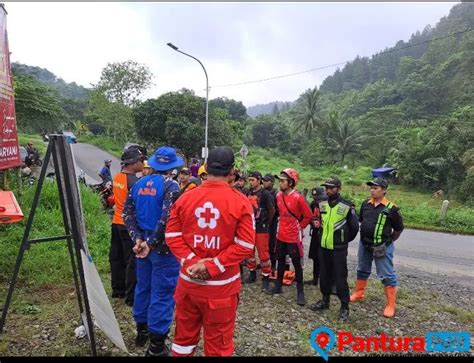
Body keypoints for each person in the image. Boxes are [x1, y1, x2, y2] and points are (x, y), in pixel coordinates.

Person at [165, 147, 255, 357]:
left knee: (183, 342)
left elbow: (171, 236)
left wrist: (191, 262)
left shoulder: (186, 197)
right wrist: (212, 266)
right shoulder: (240, 202)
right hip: (221, 291)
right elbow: (245, 245)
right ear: (232, 171)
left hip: (188, 284)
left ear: (206, 168)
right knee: (218, 347)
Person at [123, 146, 184, 356]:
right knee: (163, 293)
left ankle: (141, 332)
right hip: (163, 250)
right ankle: (157, 345)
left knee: (144, 288)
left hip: (142, 249)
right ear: (173, 166)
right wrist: (151, 242)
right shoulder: (171, 186)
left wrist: (138, 239)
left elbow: (127, 212)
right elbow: (167, 219)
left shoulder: (139, 183)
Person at [350, 177, 404, 318]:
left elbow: (398, 229)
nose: (372, 190)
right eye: (371, 188)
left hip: (381, 246)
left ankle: (391, 305)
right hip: (365, 244)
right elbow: (362, 220)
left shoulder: (392, 208)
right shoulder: (365, 204)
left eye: (376, 188)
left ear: (384, 190)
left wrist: (389, 241)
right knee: (362, 268)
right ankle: (359, 293)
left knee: (386, 274)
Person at [309, 177, 359, 322]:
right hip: (323, 247)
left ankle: (344, 307)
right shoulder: (322, 203)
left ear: (339, 188)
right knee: (324, 275)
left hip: (338, 249)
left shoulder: (347, 206)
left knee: (340, 277)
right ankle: (325, 300)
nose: (329, 190)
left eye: (332, 188)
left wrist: (342, 240)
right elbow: (319, 223)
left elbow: (354, 228)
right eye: (327, 188)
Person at [265, 168, 312, 306]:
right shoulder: (278, 196)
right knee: (280, 260)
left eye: (283, 181)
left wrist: (300, 226)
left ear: (291, 182)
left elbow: (308, 215)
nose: (280, 183)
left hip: (294, 237)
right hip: (281, 234)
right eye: (280, 180)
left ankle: (300, 293)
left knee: (297, 264)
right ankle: (278, 287)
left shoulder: (298, 197)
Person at [110, 148, 144, 305]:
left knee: (116, 258)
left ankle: (118, 290)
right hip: (128, 225)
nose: (142, 164)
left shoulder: (117, 177)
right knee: (132, 261)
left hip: (116, 222)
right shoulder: (134, 182)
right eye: (140, 161)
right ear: (134, 163)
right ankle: (132, 298)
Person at [245, 171, 275, 292]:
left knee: (263, 254)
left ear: (259, 180)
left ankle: (266, 277)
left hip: (261, 227)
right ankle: (252, 273)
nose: (250, 182)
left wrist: (266, 221)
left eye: (253, 180)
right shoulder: (248, 192)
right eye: (249, 180)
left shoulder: (265, 194)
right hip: (249, 227)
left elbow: (272, 210)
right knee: (249, 252)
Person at [305, 187, 327, 286]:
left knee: (325, 258)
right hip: (315, 233)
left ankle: (326, 280)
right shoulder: (313, 204)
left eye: (318, 198)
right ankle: (315, 279)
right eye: (314, 198)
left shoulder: (326, 204)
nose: (316, 200)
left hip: (325, 233)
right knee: (315, 257)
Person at [262, 174, 279, 274]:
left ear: (271, 182)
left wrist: (270, 218)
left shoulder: (275, 193)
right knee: (264, 244)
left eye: (266, 181)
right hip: (263, 221)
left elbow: (275, 209)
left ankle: (273, 264)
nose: (264, 182)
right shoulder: (262, 192)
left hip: (272, 221)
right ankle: (265, 262)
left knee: (272, 243)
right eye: (263, 180)